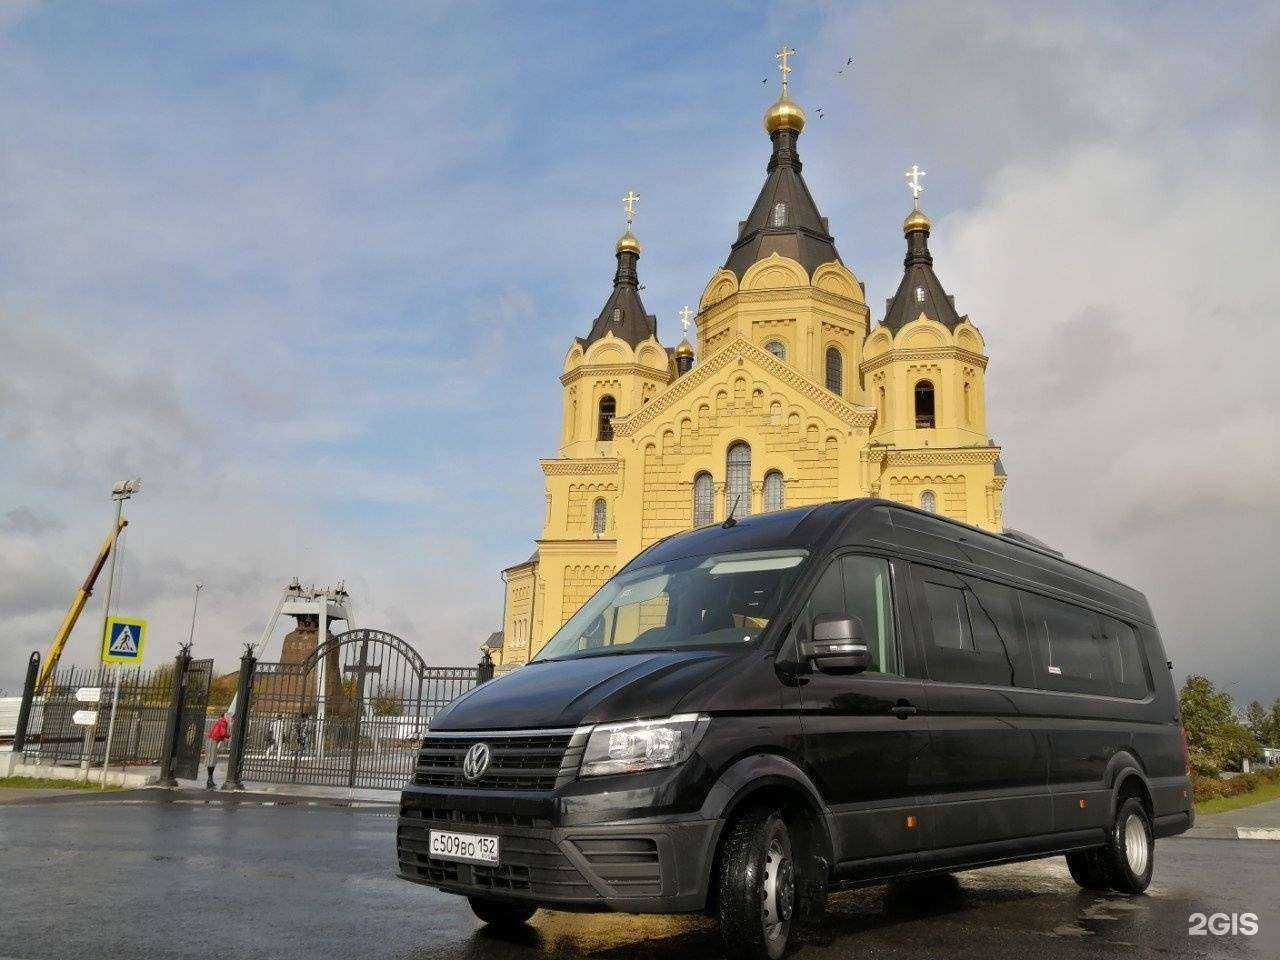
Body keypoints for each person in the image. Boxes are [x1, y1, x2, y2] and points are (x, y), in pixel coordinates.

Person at [204, 711, 231, 789]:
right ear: (225, 716)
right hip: (213, 741)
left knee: (212, 760)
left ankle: (210, 779)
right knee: (211, 760)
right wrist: (229, 736)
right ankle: (209, 780)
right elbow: (223, 733)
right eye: (228, 716)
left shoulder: (221, 721)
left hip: (212, 740)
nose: (230, 718)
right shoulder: (223, 722)